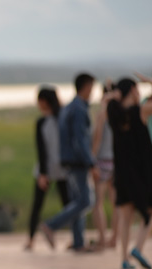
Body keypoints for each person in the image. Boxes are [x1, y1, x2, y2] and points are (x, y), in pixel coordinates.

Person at [41, 73, 99, 251]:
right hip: (77, 161)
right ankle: (51, 225)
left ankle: (78, 242)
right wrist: (91, 163)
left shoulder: (69, 107)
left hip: (68, 161)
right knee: (85, 201)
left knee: (76, 200)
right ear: (87, 86)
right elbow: (80, 140)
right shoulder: (79, 109)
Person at [107, 78, 152, 269]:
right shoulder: (140, 111)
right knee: (150, 211)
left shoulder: (113, 114)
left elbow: (107, 102)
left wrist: (112, 94)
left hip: (122, 172)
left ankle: (124, 259)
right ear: (133, 91)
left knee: (125, 218)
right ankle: (137, 248)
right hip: (144, 171)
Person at [24, 87, 69, 251]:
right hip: (58, 169)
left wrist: (43, 173)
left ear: (44, 101)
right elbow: (42, 150)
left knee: (62, 204)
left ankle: (33, 239)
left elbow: (41, 150)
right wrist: (43, 173)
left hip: (54, 169)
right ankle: (31, 238)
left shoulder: (49, 121)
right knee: (63, 205)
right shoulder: (57, 119)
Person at [90, 81, 119, 249]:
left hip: (101, 161)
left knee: (98, 203)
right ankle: (114, 239)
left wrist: (91, 161)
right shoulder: (121, 113)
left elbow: (97, 139)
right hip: (115, 161)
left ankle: (102, 238)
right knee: (116, 204)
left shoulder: (103, 114)